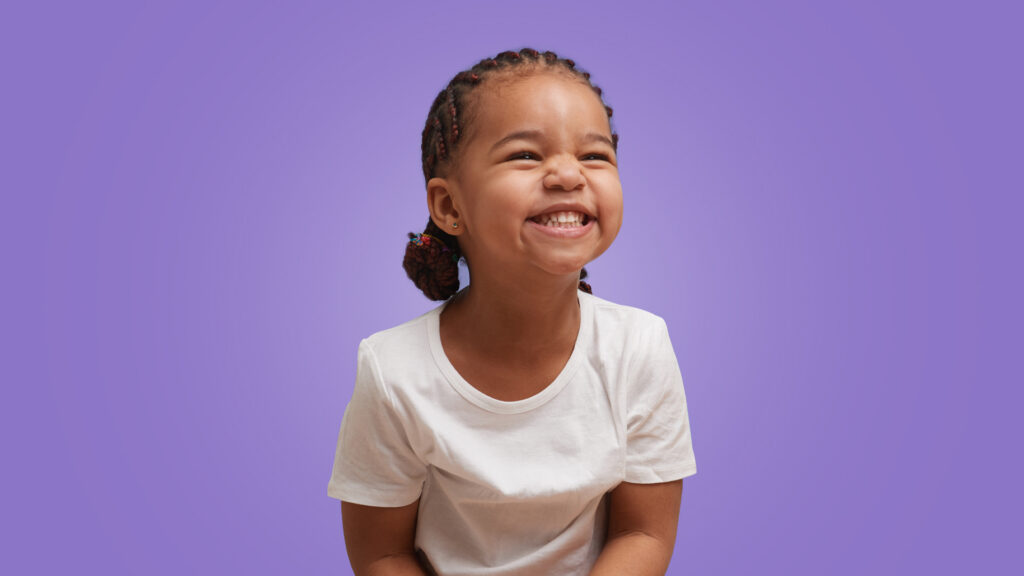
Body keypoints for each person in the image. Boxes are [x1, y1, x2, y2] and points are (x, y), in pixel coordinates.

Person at [327, 48, 697, 576]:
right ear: (450, 207)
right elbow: (381, 553)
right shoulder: (393, 370)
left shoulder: (639, 346)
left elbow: (643, 532)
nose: (569, 174)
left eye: (595, 156)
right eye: (526, 155)